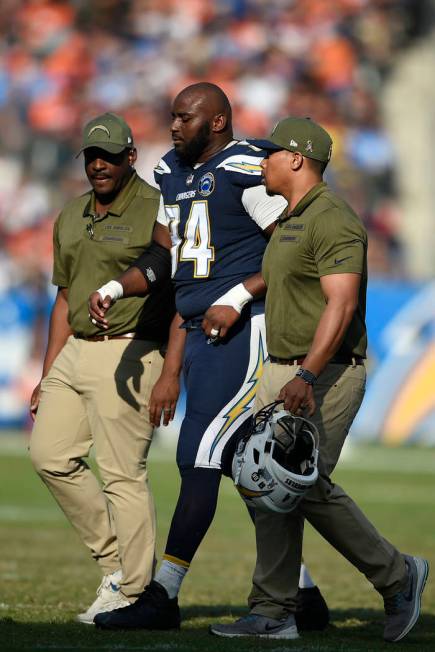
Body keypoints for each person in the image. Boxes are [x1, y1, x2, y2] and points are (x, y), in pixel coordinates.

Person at [89, 83, 328, 632]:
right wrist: (121, 292)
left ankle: (164, 595)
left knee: (198, 454)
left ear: (217, 121)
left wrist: (239, 295)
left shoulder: (249, 165)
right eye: (172, 116)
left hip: (246, 331)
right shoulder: (172, 170)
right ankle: (302, 591)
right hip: (197, 331)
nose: (173, 127)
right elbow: (169, 259)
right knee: (247, 468)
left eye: (184, 117)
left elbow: (293, 251)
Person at [209, 117, 429, 642]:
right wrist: (239, 296)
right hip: (282, 367)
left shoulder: (334, 219)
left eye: (271, 153)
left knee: (299, 487)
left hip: (324, 371)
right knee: (265, 486)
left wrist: (306, 372)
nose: (262, 161)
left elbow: (343, 301)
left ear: (297, 160)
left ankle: (397, 576)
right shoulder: (291, 218)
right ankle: (274, 611)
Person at [29, 112, 175, 624]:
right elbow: (64, 296)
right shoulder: (70, 214)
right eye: (92, 156)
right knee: (49, 455)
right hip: (75, 350)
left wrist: (172, 366)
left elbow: (175, 284)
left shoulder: (157, 208)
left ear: (130, 158)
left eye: (110, 156)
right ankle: (117, 564)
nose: (99, 165)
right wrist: (48, 373)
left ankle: (133, 590)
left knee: (121, 475)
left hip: (130, 350)